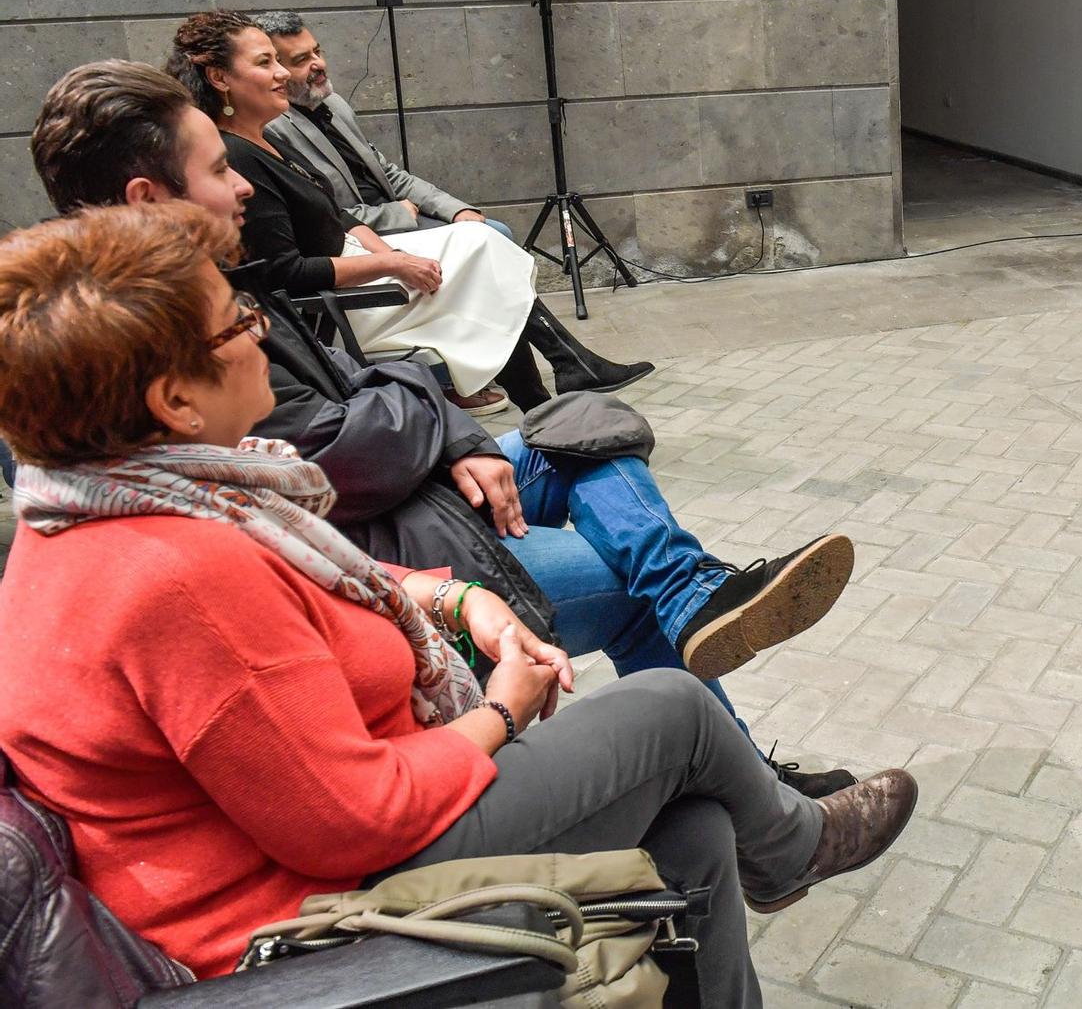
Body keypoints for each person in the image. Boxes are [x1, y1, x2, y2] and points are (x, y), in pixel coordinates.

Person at [0, 202, 918, 1001]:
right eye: (235, 321)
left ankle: (761, 851)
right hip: (313, 914)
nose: (257, 329)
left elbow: (324, 579)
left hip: (350, 827)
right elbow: (351, 821)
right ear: (172, 399)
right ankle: (793, 848)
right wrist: (503, 713)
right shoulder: (172, 573)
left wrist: (456, 600)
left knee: (693, 828)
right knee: (670, 712)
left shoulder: (141, 502)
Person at [31, 60, 860, 798]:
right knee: (628, 589)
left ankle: (692, 595)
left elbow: (370, 388)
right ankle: (753, 794)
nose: (243, 183)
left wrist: (457, 436)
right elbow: (336, 455)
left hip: (408, 495)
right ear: (149, 198)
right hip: (387, 542)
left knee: (587, 423)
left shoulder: (202, 278)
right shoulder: (142, 334)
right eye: (219, 168)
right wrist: (429, 421)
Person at [256, 9, 653, 399]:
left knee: (486, 234)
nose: (318, 64)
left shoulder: (335, 106)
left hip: (394, 225)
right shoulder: (272, 130)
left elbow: (390, 173)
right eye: (300, 60)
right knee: (491, 247)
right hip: (370, 240)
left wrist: (455, 208)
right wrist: (398, 218)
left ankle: (551, 376)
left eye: (317, 51)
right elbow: (325, 218)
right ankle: (553, 372)